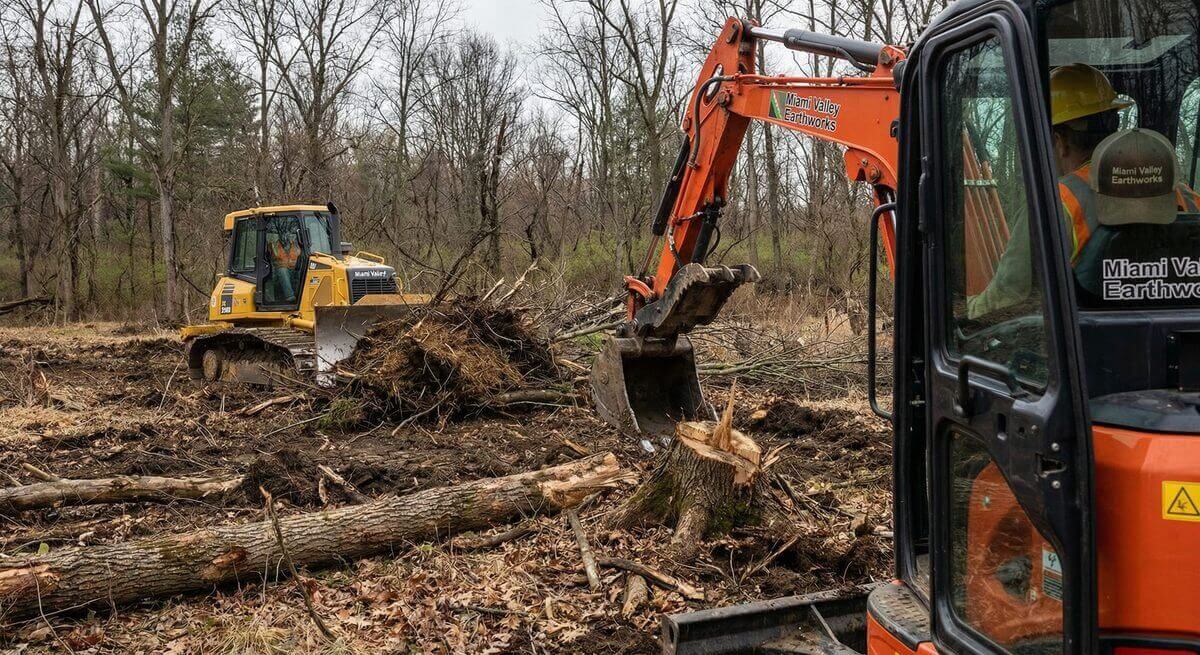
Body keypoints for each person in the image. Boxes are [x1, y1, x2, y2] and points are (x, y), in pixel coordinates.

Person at [967, 63, 1200, 318]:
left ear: (1060, 141)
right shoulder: (1186, 196)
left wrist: (965, 313)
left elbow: (1008, 298)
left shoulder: (1055, 203)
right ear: (1113, 125)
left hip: (1093, 351)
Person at [269, 228, 302, 302]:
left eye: (289, 234)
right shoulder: (274, 246)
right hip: (278, 273)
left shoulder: (295, 245)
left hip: (294, 269)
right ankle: (290, 297)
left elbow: (300, 256)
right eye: (284, 234)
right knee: (283, 271)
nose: (287, 236)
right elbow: (274, 260)